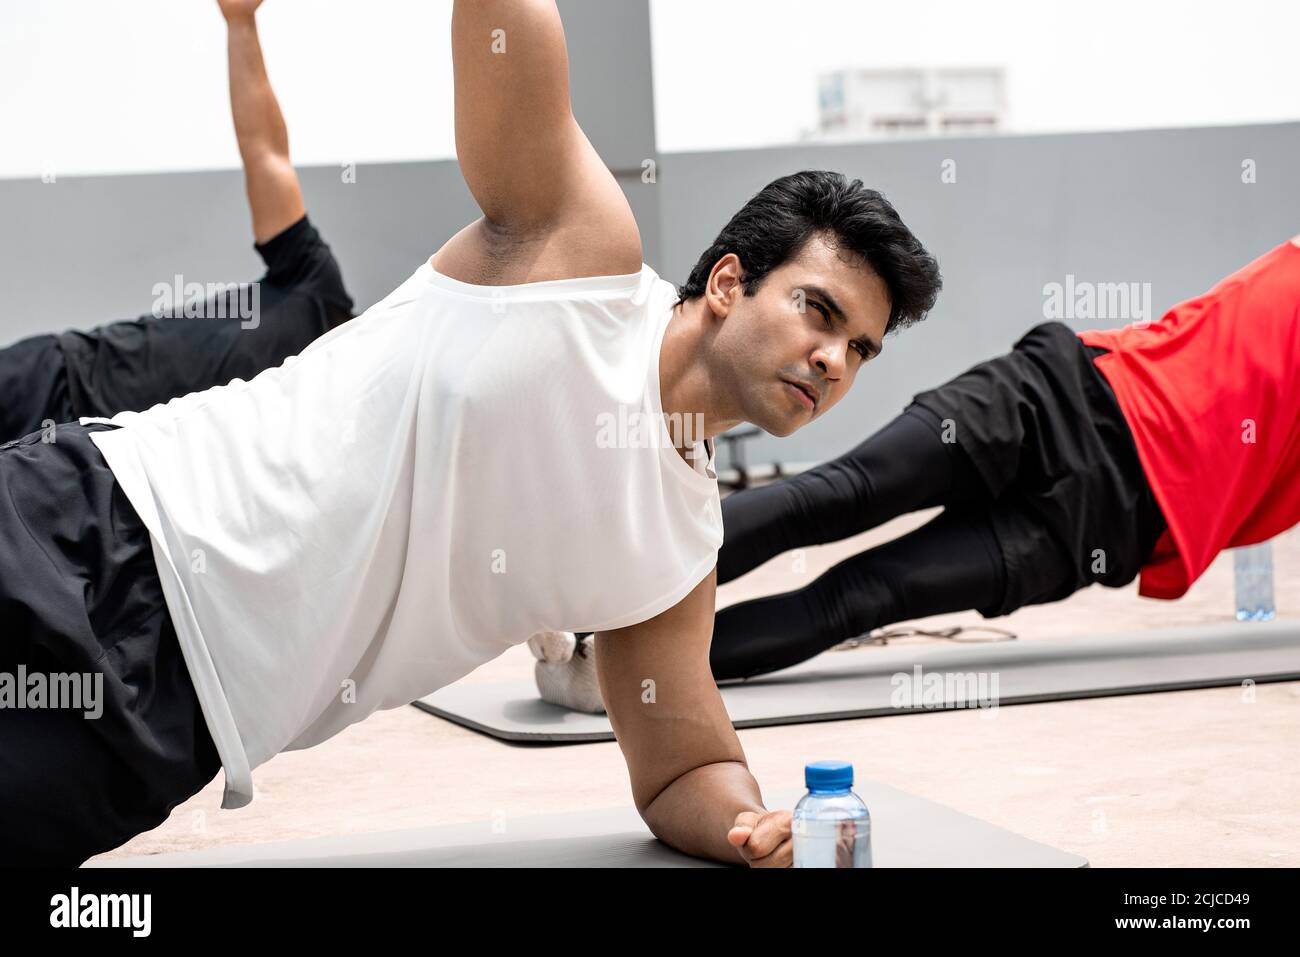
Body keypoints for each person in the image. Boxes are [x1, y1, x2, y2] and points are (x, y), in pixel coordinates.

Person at [0, 0, 940, 867]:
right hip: (98, 519)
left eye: (859, 349)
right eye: (819, 312)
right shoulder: (579, 254)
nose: (833, 360)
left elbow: (680, 770)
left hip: (177, 721)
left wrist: (752, 826)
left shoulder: (676, 552)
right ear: (731, 282)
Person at [705, 234, 1300, 681]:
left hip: (1116, 513)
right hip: (1068, 393)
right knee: (835, 495)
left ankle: (639, 676)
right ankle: (616, 592)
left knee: (860, 598)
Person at [0, 0, 353, 445]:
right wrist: (241, 23)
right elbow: (266, 154)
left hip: (88, 473)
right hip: (59, 376)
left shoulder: (322, 425)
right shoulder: (317, 288)